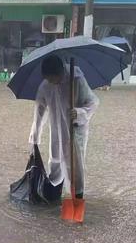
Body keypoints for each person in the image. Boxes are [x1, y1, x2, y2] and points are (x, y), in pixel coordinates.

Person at [29, 54, 99, 199]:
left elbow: (93, 102)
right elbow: (39, 110)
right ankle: (54, 194)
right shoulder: (46, 85)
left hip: (75, 130)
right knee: (55, 160)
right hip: (56, 129)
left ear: (60, 72)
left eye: (53, 78)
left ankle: (77, 196)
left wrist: (79, 113)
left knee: (75, 165)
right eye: (48, 79)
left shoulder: (77, 80)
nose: (51, 82)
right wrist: (35, 137)